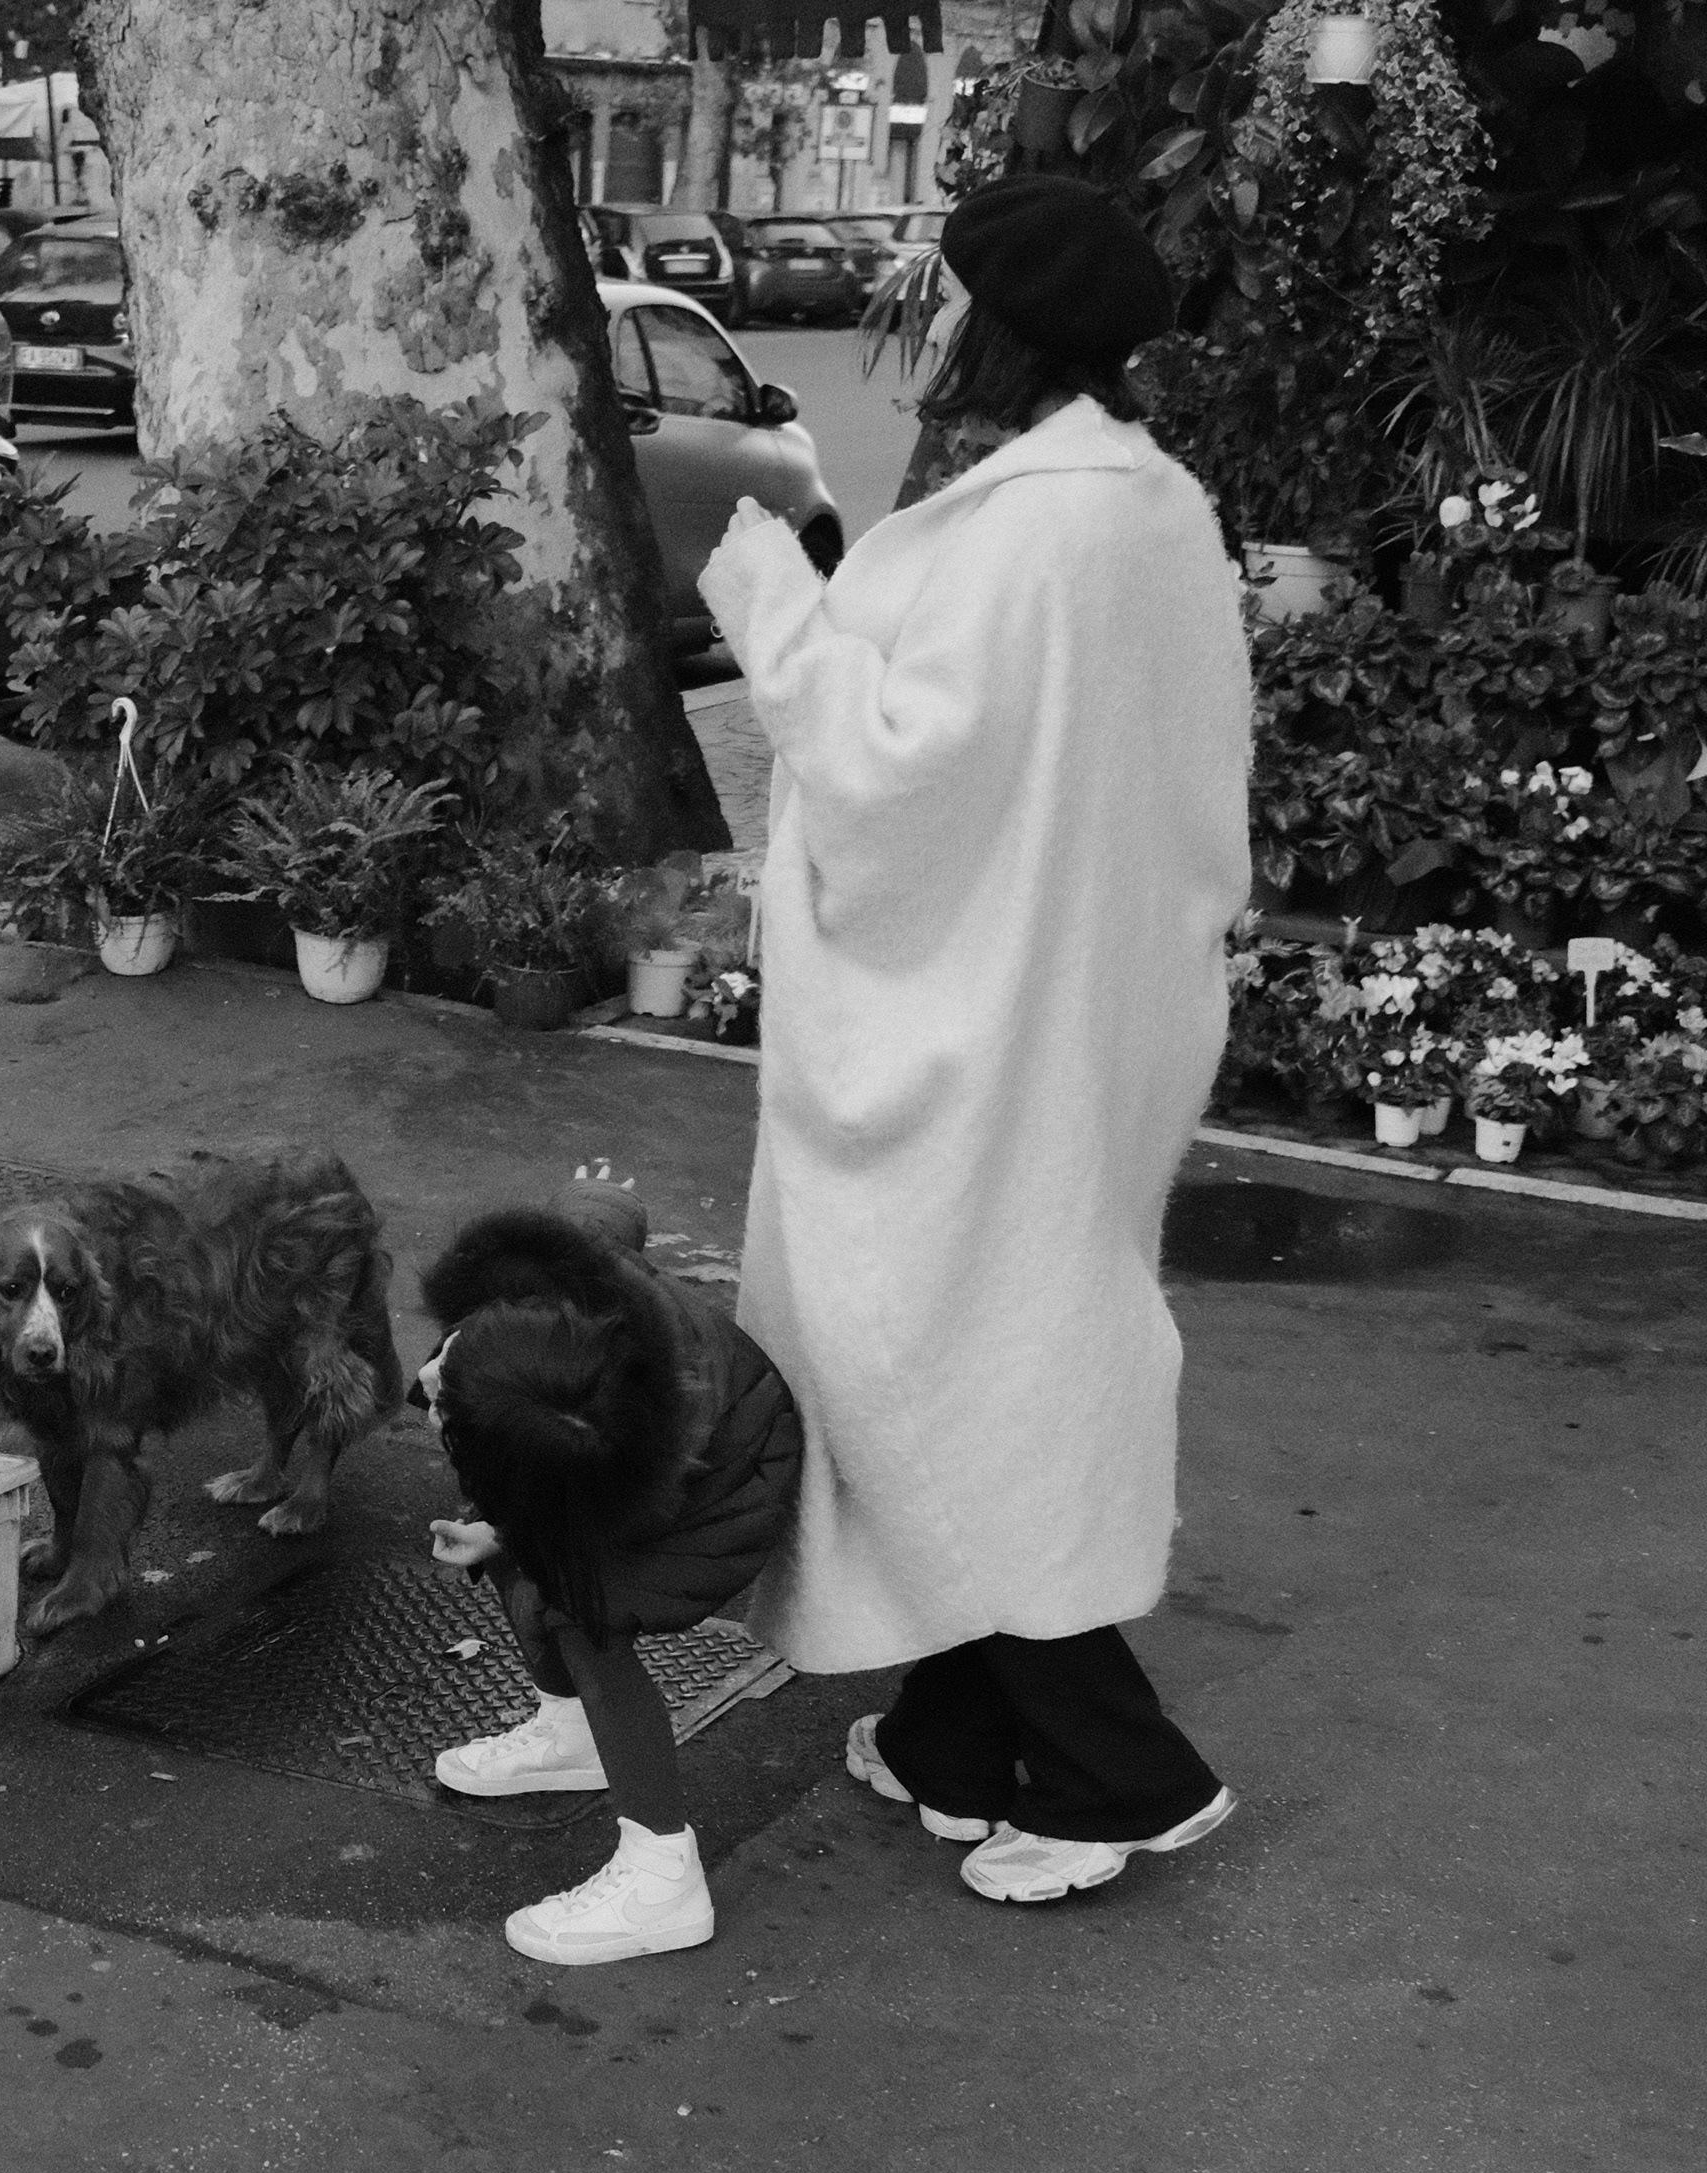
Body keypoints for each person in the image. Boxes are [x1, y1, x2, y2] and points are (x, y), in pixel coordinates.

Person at [695, 175, 1249, 1907]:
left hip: (980, 1026)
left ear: (994, 330)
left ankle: (1117, 1774)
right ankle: (957, 1729)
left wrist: (773, 605)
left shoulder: (1031, 532)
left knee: (941, 1361)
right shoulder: (1149, 506)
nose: (925, 329)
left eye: (942, 302)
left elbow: (891, 773)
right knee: (989, 1356)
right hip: (1086, 1001)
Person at [419, 1177, 803, 1964]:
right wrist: (594, 1202)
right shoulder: (552, 1306)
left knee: (578, 1605)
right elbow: (592, 1238)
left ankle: (664, 1875)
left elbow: (603, 1517)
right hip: (611, 1466)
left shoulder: (646, 1435)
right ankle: (570, 1735)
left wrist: (520, 1528)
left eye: (438, 1399)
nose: (424, 1388)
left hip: (720, 1491)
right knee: (511, 1533)